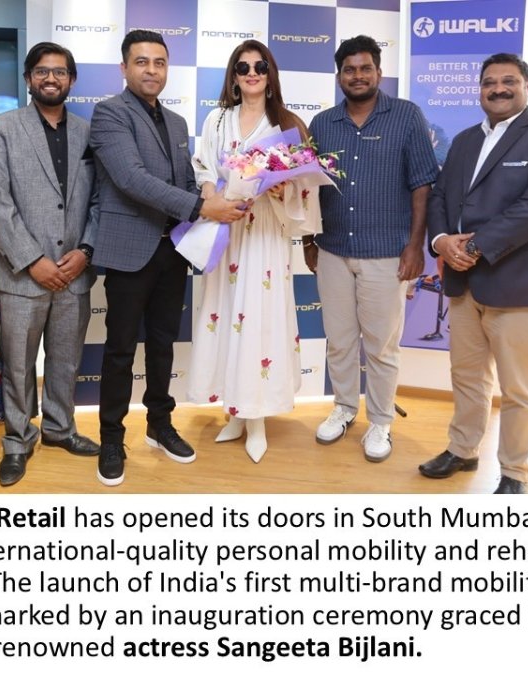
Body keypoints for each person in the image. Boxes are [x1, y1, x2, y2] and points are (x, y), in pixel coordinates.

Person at [89, 29, 248, 486]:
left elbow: (185, 181)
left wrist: (223, 193)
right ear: (124, 68)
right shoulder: (109, 114)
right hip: (129, 250)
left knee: (162, 345)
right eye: (141, 62)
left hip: (172, 250)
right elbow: (131, 178)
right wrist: (202, 207)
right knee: (120, 350)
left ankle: (159, 424)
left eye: (159, 62)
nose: (151, 70)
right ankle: (112, 438)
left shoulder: (177, 123)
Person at [418, 53, 528, 494]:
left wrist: (473, 247)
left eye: (509, 81)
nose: (499, 88)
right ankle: (463, 449)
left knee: (518, 387)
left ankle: (515, 472)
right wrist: (441, 241)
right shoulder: (465, 140)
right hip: (464, 281)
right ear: (480, 90)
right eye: (489, 82)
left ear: (527, 86)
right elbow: (440, 197)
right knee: (467, 376)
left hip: (520, 281)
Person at [306, 35, 438, 462]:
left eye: (366, 68)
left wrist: (415, 247)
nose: (358, 76)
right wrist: (308, 240)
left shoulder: (406, 116)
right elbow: (306, 188)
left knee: (381, 346)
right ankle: (345, 408)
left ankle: (381, 420)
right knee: (340, 341)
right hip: (333, 250)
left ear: (379, 72)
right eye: (349, 69)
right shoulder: (322, 124)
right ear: (339, 76)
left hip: (387, 253)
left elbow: (422, 184)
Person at [185, 40, 319, 464]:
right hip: (227, 234)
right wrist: (212, 194)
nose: (252, 73)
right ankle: (234, 412)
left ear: (270, 73)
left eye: (260, 66)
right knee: (227, 318)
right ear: (234, 75)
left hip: (264, 238)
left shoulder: (287, 124)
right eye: (243, 67)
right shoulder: (217, 119)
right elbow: (204, 167)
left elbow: (304, 188)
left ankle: (257, 417)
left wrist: (282, 191)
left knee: (259, 321)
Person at [0, 42, 100, 487]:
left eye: (60, 72)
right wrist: (32, 260)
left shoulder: (89, 132)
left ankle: (59, 428)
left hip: (74, 271)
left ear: (71, 79)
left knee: (65, 360)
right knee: (17, 365)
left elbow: (100, 200)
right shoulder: (0, 128)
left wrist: (85, 251)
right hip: (21, 274)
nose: (52, 78)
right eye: (43, 71)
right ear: (29, 78)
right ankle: (17, 440)